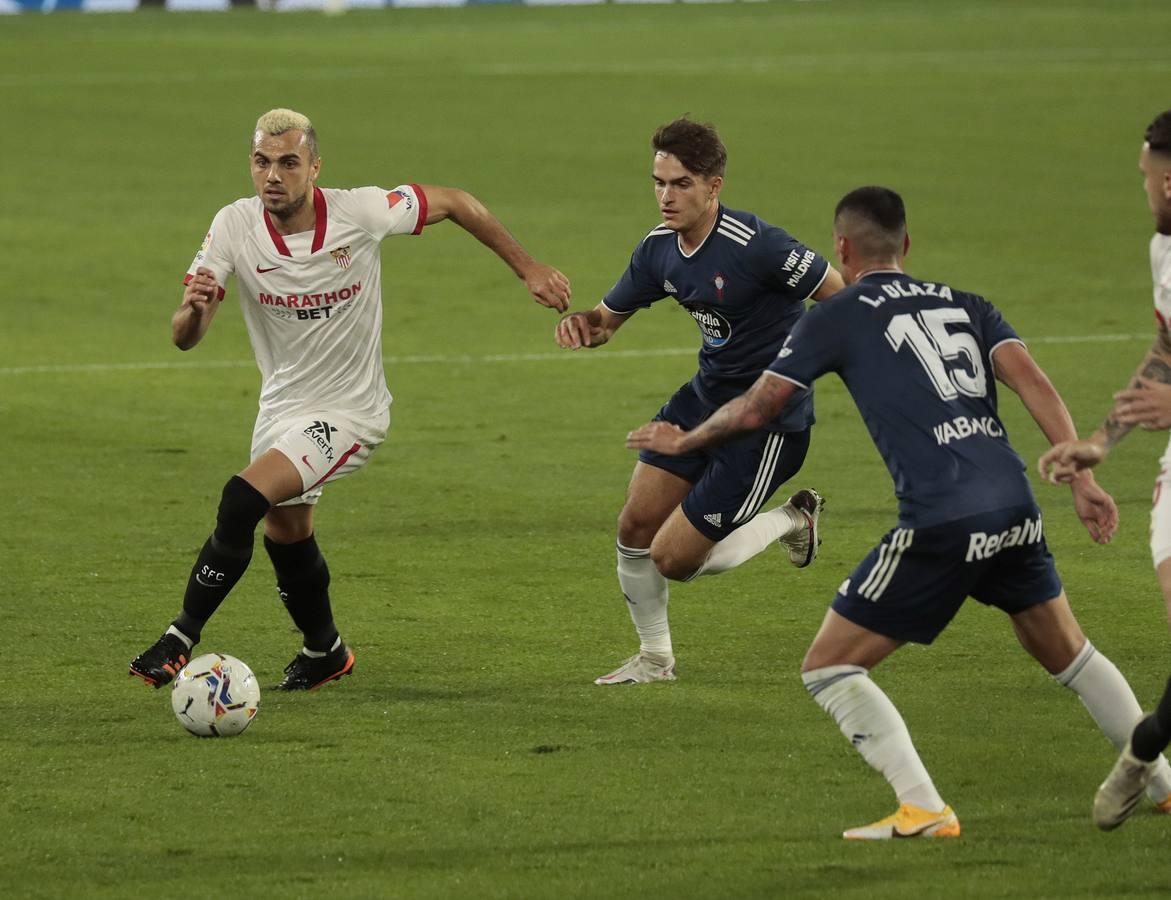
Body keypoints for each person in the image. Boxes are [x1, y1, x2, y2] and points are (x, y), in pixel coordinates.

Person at [627, 185, 1171, 838]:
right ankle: (1162, 784)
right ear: (905, 246)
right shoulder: (966, 303)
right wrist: (1077, 470)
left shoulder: (832, 316)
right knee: (1068, 654)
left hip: (942, 517)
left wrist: (684, 441)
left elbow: (757, 407)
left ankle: (923, 807)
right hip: (1013, 501)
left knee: (827, 666)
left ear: (842, 249)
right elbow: (1030, 379)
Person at [129, 108, 570, 691]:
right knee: (287, 533)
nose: (274, 176)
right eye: (263, 162)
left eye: (289, 162)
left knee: (241, 501)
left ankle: (179, 638)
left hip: (350, 413)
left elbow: (457, 201)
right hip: (282, 408)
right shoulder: (233, 225)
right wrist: (195, 308)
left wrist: (528, 266)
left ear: (315, 166)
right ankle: (325, 651)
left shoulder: (360, 212)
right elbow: (184, 337)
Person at [555, 117, 845, 685]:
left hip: (766, 424)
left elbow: (844, 298)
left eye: (681, 183)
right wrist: (582, 325)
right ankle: (655, 660)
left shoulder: (759, 246)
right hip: (702, 401)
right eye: (659, 182)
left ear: (714, 187)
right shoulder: (658, 250)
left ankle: (792, 517)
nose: (666, 196)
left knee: (675, 559)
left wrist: (802, 367)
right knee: (635, 525)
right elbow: (606, 320)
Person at [1039, 108, 1171, 829]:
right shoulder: (1164, 250)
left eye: (1144, 176)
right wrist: (1099, 442)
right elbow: (1165, 355)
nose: (1141, 190)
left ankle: (1145, 744)